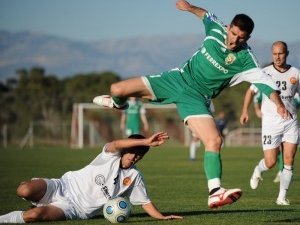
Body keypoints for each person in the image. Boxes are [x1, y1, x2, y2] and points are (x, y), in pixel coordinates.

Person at [92, 0, 290, 209]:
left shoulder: (246, 59)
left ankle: (214, 191)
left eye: (241, 38)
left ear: (247, 38)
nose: (234, 40)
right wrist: (188, 7)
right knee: (117, 89)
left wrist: (278, 104)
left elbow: (267, 85)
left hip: (196, 98)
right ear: (229, 27)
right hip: (176, 79)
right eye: (233, 34)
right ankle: (118, 104)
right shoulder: (216, 29)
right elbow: (205, 14)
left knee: (214, 141)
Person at [0, 132, 183, 223]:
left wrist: (162, 218)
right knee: (24, 190)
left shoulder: (134, 176)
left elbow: (144, 202)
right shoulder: (109, 155)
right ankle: (36, 196)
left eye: (139, 156)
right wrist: (145, 141)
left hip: (74, 209)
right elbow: (117, 143)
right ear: (125, 150)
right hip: (63, 186)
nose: (134, 157)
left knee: (34, 216)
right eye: (132, 153)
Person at [240, 41, 300, 205]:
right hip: (270, 123)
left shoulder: (296, 73)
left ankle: (281, 197)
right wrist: (245, 111)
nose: (277, 57)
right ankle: (258, 169)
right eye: (274, 54)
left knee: (289, 159)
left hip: (290, 121)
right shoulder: (264, 73)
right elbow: (250, 92)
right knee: (271, 162)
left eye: (280, 53)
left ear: (287, 53)